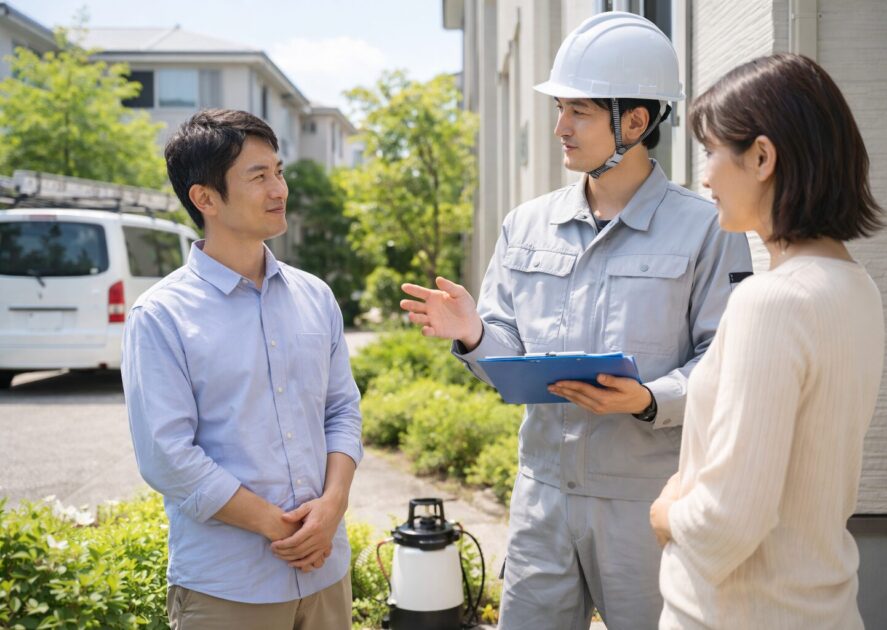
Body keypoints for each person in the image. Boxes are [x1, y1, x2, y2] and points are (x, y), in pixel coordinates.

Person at [400, 12, 752, 630]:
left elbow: (727, 364)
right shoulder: (526, 225)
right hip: (543, 499)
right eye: (561, 108)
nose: (559, 127)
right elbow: (508, 356)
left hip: (646, 502)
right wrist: (474, 334)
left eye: (580, 111)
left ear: (635, 122)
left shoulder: (707, 229)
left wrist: (646, 399)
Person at [649, 53, 886, 629]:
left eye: (710, 152)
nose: (703, 176)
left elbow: (725, 525)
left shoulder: (770, 300)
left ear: (761, 157)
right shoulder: (856, 287)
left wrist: (666, 512)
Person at [121, 109, 362, 630]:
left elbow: (342, 408)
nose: (279, 189)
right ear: (204, 198)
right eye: (258, 176)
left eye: (278, 171)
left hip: (326, 578)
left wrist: (333, 506)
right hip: (228, 588)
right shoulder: (161, 315)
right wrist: (282, 528)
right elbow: (166, 457)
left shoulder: (314, 296)